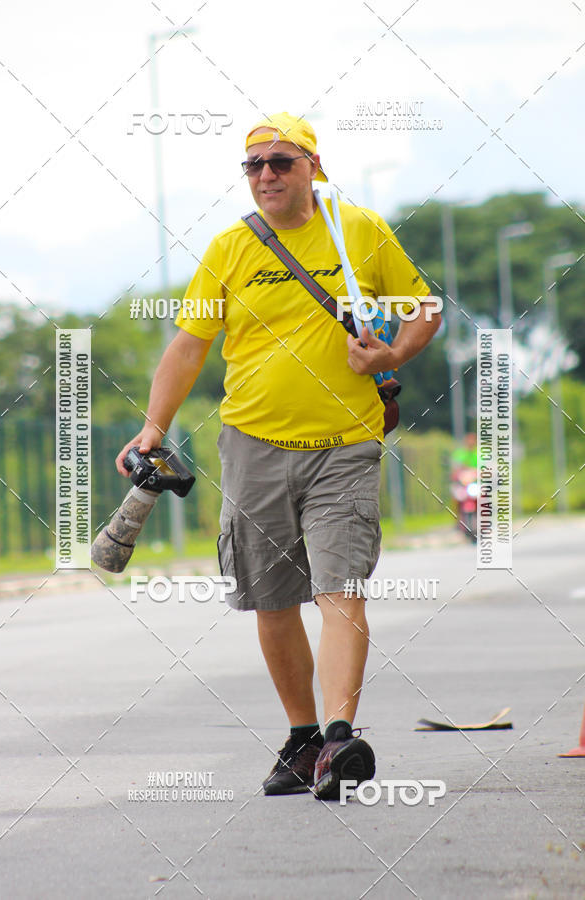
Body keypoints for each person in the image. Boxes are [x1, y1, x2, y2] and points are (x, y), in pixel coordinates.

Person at [116, 112, 441, 801]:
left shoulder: (360, 232)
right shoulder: (231, 247)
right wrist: (152, 427)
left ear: (313, 167)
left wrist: (392, 353)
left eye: (282, 162)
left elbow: (423, 310)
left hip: (344, 444)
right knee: (270, 598)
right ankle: (304, 739)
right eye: (254, 164)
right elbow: (189, 344)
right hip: (253, 446)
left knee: (341, 587)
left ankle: (340, 735)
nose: (266, 174)